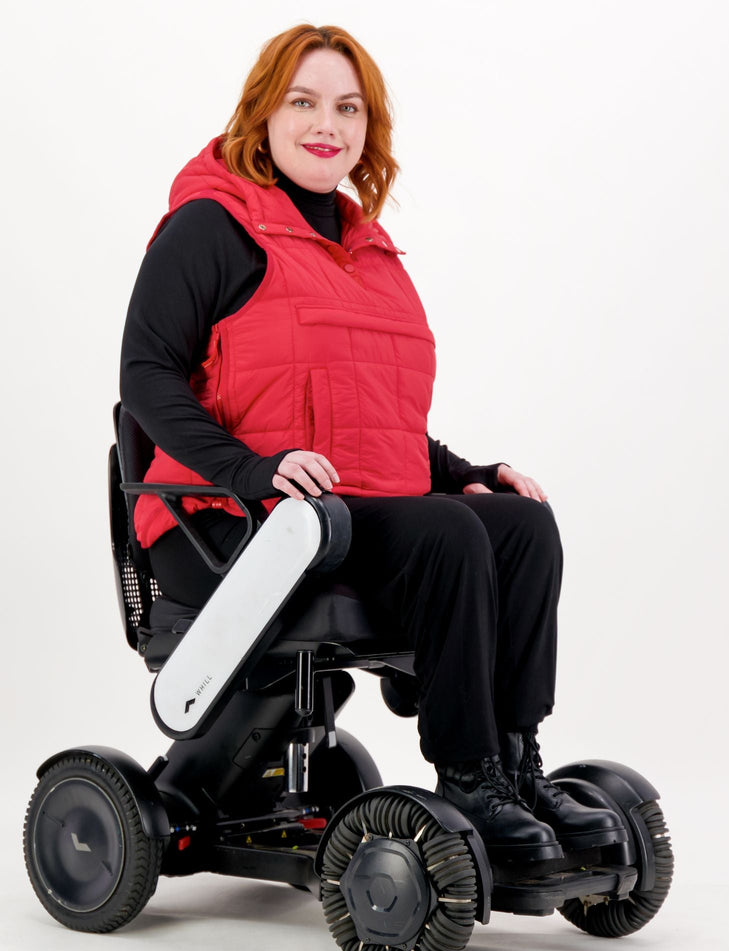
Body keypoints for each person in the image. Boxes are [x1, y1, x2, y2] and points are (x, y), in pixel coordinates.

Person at [120, 23, 623, 862]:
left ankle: (512, 758)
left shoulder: (365, 250)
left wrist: (467, 473)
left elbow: (370, 414)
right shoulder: (211, 226)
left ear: (368, 126)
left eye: (348, 107)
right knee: (446, 532)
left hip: (339, 519)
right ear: (263, 114)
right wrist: (252, 472)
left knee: (520, 523)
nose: (329, 124)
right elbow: (145, 377)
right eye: (305, 101)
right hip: (226, 524)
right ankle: (468, 779)